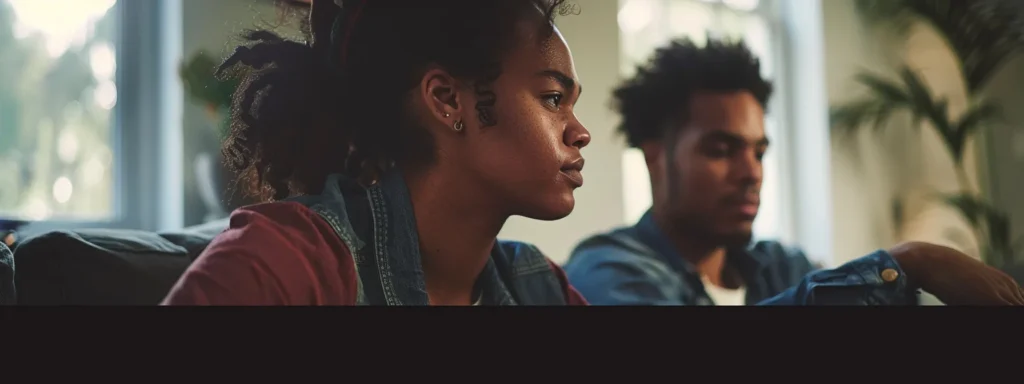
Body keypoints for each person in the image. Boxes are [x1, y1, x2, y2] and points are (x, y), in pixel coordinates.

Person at [163, 1, 1022, 306]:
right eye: (552, 97)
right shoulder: (281, 264)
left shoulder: (535, 286)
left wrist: (905, 268)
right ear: (447, 101)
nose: (578, 131)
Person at [562, 38, 1024, 306]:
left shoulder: (782, 267)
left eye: (759, 152)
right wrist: (911, 263)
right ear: (656, 157)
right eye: (722, 149)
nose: (751, 173)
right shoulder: (608, 269)